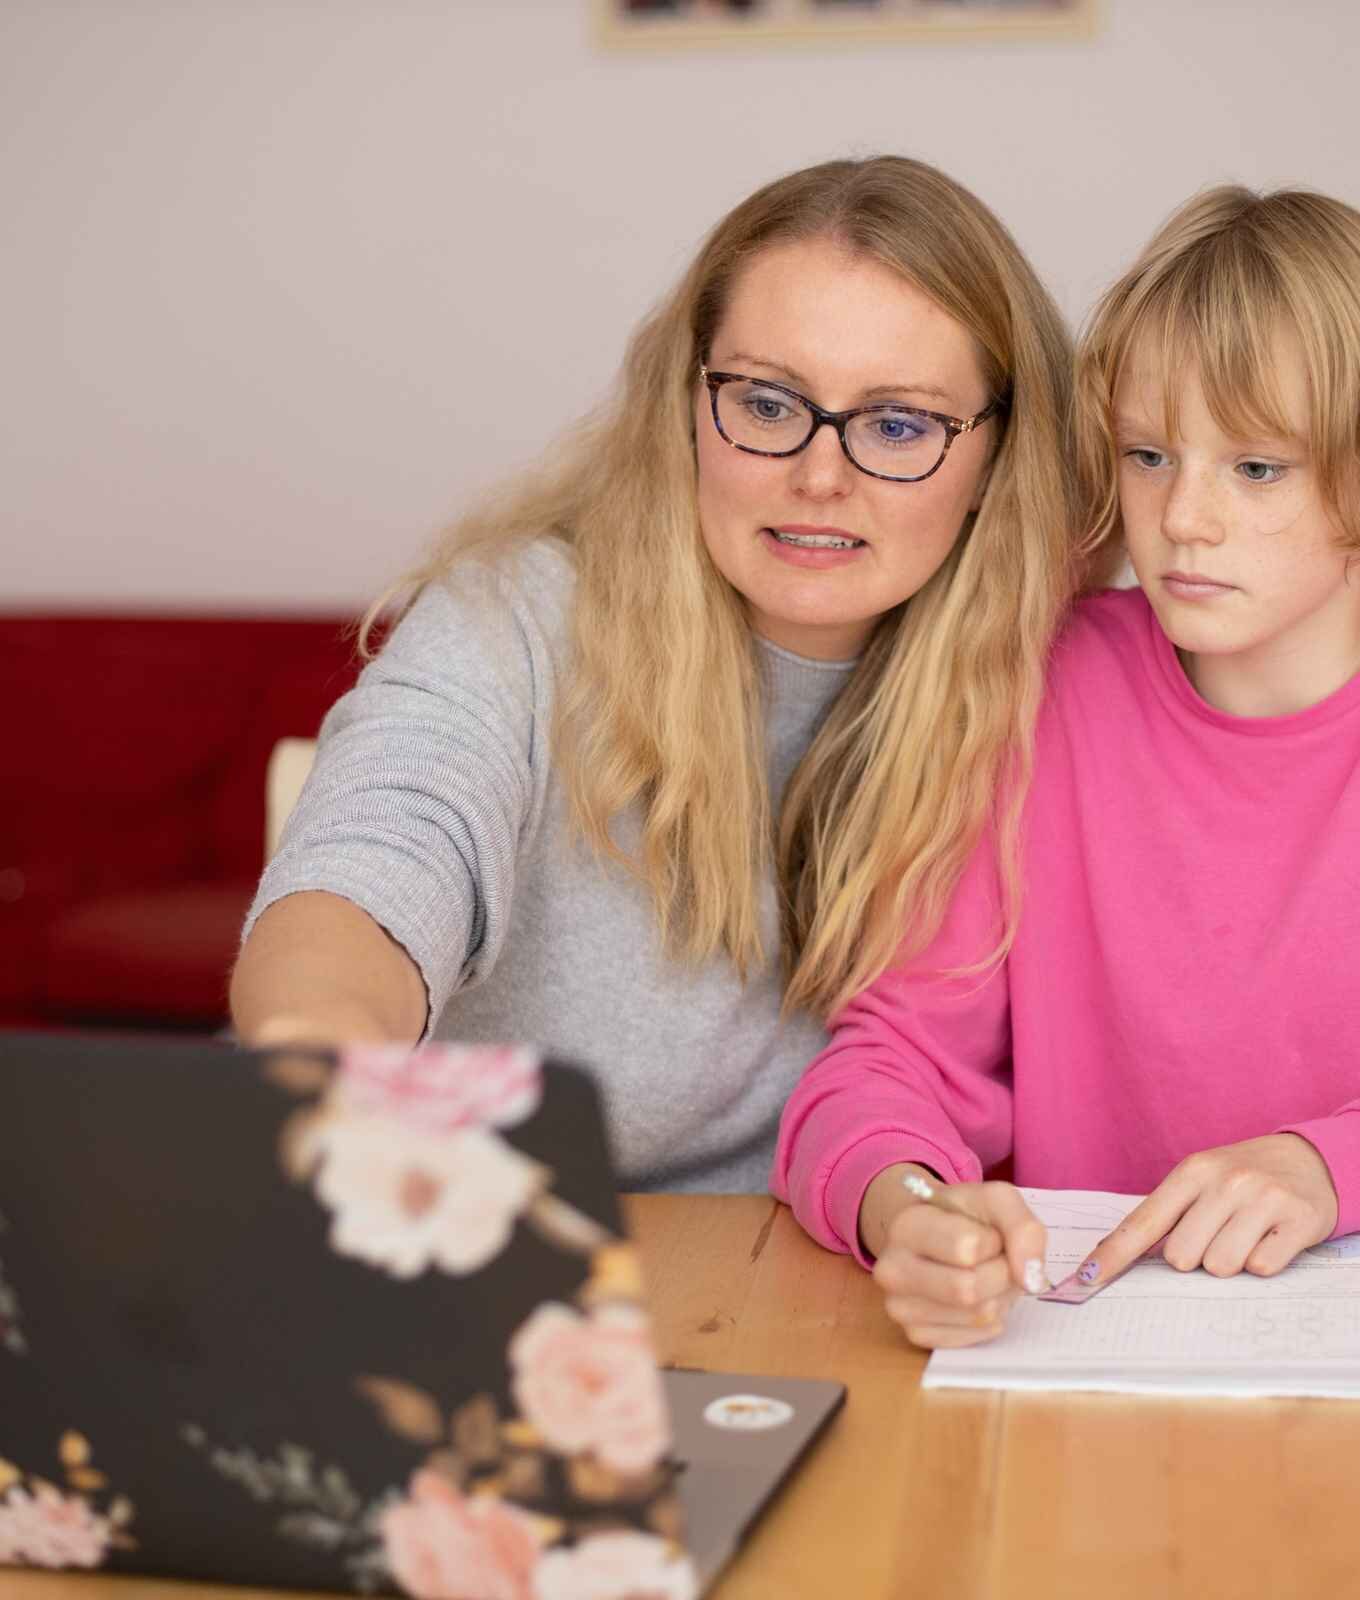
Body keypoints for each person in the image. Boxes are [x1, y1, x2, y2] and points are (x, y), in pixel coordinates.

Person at [774, 184, 1360, 1343]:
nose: (1181, 520)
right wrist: (904, 1205)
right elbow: (887, 1060)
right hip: (1101, 1370)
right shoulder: (1051, 679)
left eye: (1256, 468)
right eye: (1149, 455)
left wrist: (1336, 1165)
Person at [230, 155, 1099, 1193]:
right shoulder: (516, 619)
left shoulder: (1059, 685)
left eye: (898, 424)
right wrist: (321, 1050)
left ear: (997, 456)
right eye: (769, 405)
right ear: (685, 404)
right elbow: (376, 856)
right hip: (465, 1238)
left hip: (798, 1282)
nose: (820, 476)